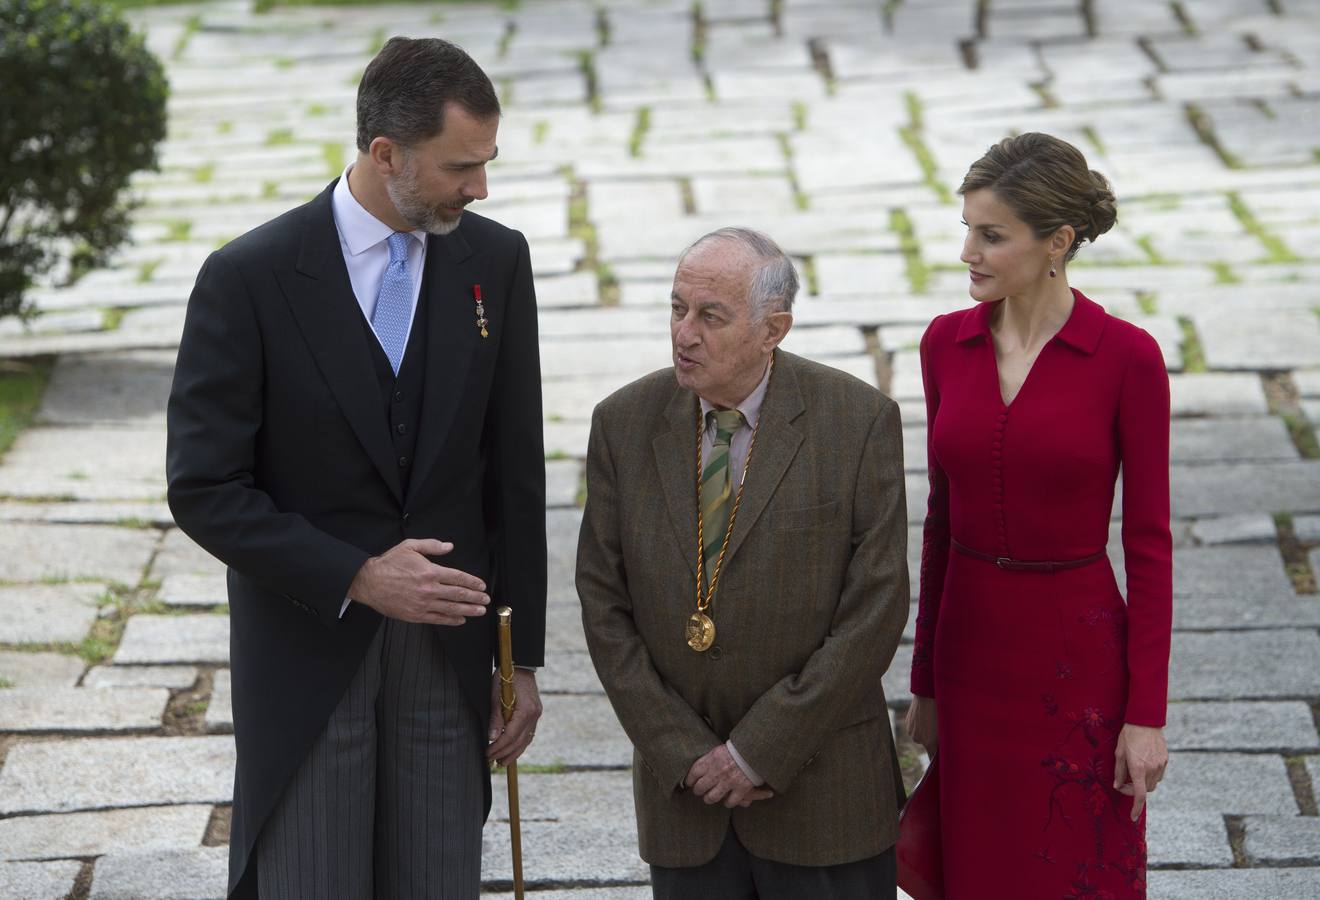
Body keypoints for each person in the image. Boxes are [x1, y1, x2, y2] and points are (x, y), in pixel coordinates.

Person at [166, 37, 546, 899]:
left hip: (446, 657)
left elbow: (514, 473)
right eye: (461, 166)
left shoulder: (497, 262)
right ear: (385, 154)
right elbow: (203, 489)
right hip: (309, 653)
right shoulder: (247, 278)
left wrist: (519, 659)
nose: (479, 189)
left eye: (487, 164)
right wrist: (359, 575)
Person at [577, 227, 910, 899]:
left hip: (824, 802)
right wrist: (683, 750)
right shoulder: (624, 422)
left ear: (772, 329)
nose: (684, 333)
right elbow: (603, 604)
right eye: (676, 309)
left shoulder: (857, 421)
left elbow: (873, 612)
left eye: (710, 316)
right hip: (687, 807)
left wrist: (759, 749)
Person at [904, 132, 1171, 897]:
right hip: (970, 653)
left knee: (1074, 866)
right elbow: (939, 526)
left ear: (1056, 242)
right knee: (977, 867)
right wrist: (924, 680)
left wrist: (1144, 715)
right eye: (966, 229)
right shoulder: (943, 346)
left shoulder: (1128, 358)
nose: (967, 252)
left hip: (1078, 661)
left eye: (991, 235)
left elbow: (1150, 547)